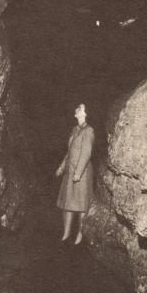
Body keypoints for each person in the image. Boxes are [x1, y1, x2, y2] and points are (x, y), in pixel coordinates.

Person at [55, 103, 94, 245]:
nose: (77, 109)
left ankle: (80, 233)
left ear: (85, 114)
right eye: (77, 108)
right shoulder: (74, 130)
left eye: (81, 108)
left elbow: (86, 153)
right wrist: (61, 166)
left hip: (82, 174)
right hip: (69, 171)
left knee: (81, 205)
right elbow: (70, 151)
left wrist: (78, 173)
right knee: (68, 203)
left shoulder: (88, 131)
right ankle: (66, 232)